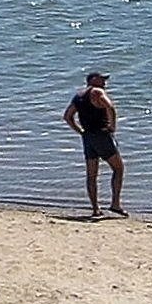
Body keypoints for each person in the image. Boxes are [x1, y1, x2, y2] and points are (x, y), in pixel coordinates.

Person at [63, 70, 124, 216]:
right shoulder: (97, 92)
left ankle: (96, 209)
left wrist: (80, 131)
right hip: (101, 135)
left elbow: (67, 116)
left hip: (88, 137)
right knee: (118, 168)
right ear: (93, 80)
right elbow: (110, 107)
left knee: (92, 175)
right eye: (102, 79)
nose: (105, 83)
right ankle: (115, 204)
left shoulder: (78, 96)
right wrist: (112, 126)